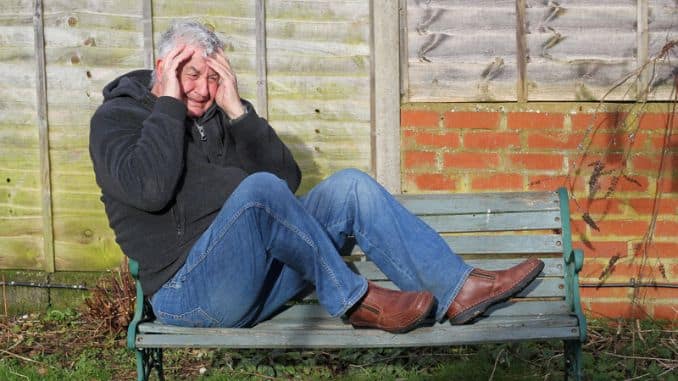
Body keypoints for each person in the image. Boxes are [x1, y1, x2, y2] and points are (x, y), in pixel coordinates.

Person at [89, 20, 544, 334]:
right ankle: (357, 301)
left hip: (256, 282)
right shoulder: (117, 119)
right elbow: (149, 189)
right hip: (188, 294)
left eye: (213, 78)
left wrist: (238, 112)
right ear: (163, 66)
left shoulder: (216, 114)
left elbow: (285, 182)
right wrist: (169, 103)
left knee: (349, 186)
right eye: (191, 75)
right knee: (256, 191)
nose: (203, 90)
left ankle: (458, 290)